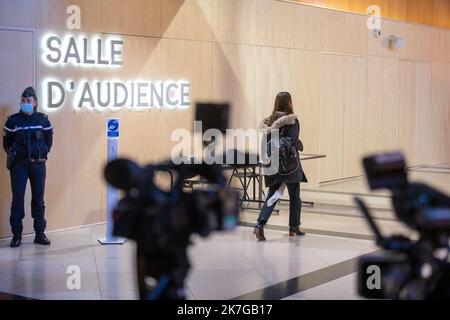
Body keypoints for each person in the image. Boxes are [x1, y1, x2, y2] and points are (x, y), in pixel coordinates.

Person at [3, 87, 53, 248]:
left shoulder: (43, 120)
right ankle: (17, 236)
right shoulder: (13, 120)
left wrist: (42, 152)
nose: (25, 103)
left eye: (28, 101)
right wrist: (15, 154)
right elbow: (6, 143)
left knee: (38, 200)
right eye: (23, 101)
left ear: (35, 102)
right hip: (19, 165)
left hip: (38, 164)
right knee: (17, 199)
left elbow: (48, 140)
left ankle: (39, 234)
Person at [254, 92, 306, 241]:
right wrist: (299, 144)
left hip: (273, 164)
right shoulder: (292, 121)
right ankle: (293, 227)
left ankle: (260, 224)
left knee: (272, 195)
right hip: (290, 165)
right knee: (295, 196)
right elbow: (293, 141)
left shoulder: (268, 122)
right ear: (289, 103)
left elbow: (265, 145)